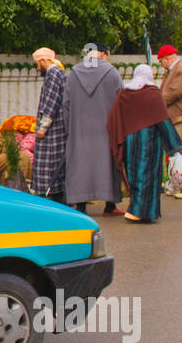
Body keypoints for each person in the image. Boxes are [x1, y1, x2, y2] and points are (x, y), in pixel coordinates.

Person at [107, 64, 182, 223]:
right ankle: (142, 212)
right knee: (149, 176)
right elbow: (163, 120)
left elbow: (114, 118)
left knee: (134, 175)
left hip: (129, 141)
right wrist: (175, 146)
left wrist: (119, 138)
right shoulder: (153, 94)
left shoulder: (125, 94)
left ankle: (135, 208)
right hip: (149, 142)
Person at [64, 44, 124, 215]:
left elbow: (66, 104)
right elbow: (122, 100)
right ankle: (110, 205)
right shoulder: (111, 73)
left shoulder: (74, 73)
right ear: (103, 54)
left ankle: (81, 205)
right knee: (107, 165)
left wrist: (70, 129)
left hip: (79, 131)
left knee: (80, 165)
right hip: (106, 131)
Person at [31, 47, 68, 203]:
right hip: (59, 127)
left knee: (48, 165)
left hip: (52, 129)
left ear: (42, 61)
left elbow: (50, 101)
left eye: (37, 64)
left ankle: (49, 197)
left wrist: (43, 127)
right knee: (57, 165)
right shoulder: (60, 72)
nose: (37, 68)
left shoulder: (53, 74)